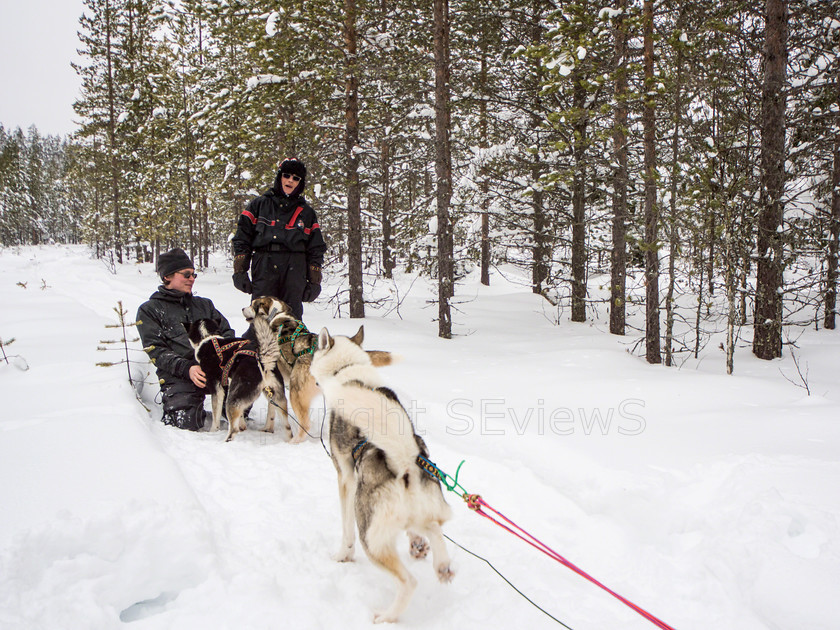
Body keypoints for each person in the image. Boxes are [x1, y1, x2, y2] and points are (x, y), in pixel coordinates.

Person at [137, 247, 235, 431]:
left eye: (194, 275)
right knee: (184, 422)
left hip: (217, 370)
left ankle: (225, 407)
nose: (192, 279)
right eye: (186, 274)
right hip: (180, 374)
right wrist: (187, 368)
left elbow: (228, 333)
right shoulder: (150, 310)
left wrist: (224, 359)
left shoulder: (205, 305)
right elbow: (156, 350)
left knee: (239, 405)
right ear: (167, 276)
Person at [231, 158, 326, 320]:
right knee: (261, 319)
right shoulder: (259, 205)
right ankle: (258, 346)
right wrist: (240, 271)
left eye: (296, 178)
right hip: (264, 264)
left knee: (292, 319)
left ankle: (292, 345)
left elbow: (315, 248)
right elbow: (242, 238)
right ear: (279, 177)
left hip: (295, 268)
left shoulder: (307, 213)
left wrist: (314, 281)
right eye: (287, 175)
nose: (290, 180)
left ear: (300, 183)